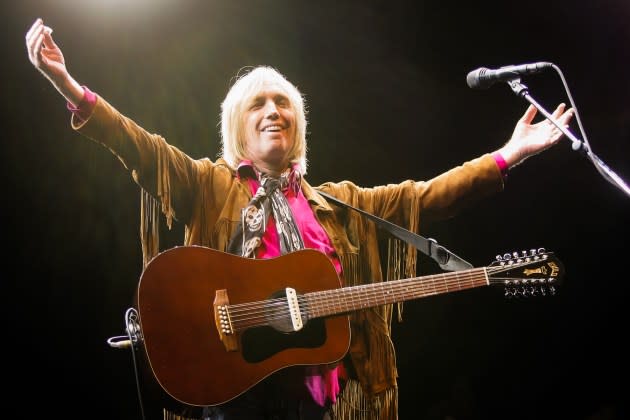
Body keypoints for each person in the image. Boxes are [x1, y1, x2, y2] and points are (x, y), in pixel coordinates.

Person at [26, 17, 573, 420]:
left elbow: (427, 197)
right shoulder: (211, 185)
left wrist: (509, 154)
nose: (273, 112)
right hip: (236, 388)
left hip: (316, 398)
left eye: (283, 103)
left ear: (298, 127)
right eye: (259, 104)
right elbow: (141, 148)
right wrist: (69, 86)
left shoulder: (338, 202)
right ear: (238, 128)